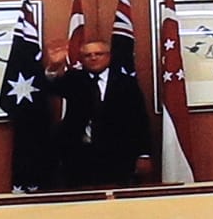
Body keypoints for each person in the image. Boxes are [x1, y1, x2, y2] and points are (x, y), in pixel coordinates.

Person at [41, 29, 153, 189]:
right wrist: (53, 67)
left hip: (117, 154)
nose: (93, 57)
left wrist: (144, 154)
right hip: (79, 154)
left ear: (109, 56)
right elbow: (50, 87)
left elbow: (140, 120)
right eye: (88, 55)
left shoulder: (126, 83)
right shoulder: (74, 78)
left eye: (98, 54)